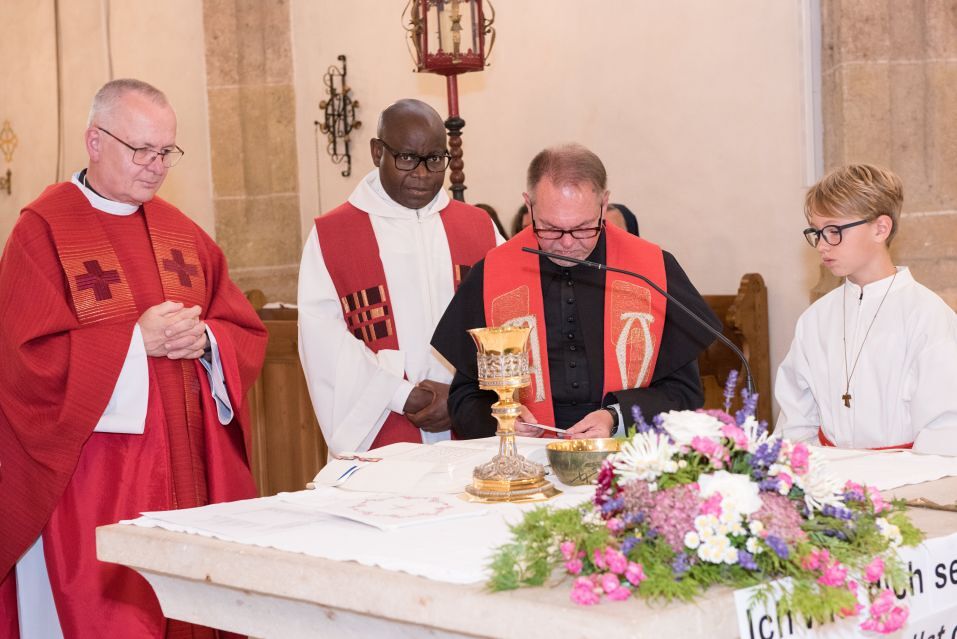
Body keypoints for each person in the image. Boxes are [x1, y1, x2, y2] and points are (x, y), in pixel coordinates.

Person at [0, 79, 267, 638]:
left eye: (166, 151)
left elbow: (242, 328)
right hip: (94, 484)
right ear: (94, 141)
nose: (156, 166)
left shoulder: (180, 231)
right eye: (142, 150)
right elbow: (24, 362)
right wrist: (131, 344)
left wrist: (207, 342)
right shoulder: (43, 232)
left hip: (189, 475)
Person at [432, 144, 719, 439]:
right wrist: (503, 419)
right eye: (550, 228)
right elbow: (464, 399)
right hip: (525, 457)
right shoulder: (494, 273)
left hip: (625, 453)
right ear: (529, 205)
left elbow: (684, 393)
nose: (567, 244)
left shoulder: (651, 269)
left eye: (582, 228)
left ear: (604, 205)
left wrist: (615, 418)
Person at [298, 99, 502, 455]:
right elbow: (322, 339)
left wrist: (462, 397)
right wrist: (401, 394)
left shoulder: (480, 228)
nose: (422, 174)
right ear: (377, 152)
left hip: (471, 430)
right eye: (407, 158)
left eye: (435, 159)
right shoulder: (333, 235)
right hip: (383, 423)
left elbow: (507, 321)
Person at [775, 164, 957, 454]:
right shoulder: (815, 318)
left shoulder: (928, 317)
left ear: (880, 228)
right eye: (817, 233)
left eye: (834, 231)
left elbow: (946, 430)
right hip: (829, 473)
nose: (822, 245)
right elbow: (796, 422)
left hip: (907, 474)